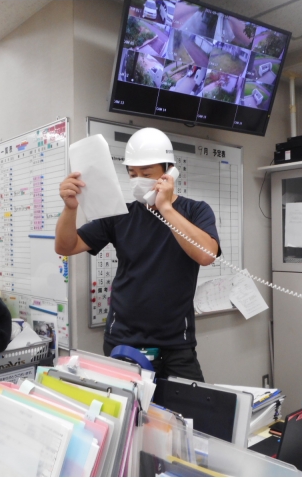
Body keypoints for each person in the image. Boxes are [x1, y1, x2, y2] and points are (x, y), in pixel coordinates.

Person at [55, 128, 220, 381]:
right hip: (124, 340)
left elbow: (206, 255)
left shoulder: (195, 210)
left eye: (146, 173)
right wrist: (69, 209)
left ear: (169, 172)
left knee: (188, 405)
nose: (138, 180)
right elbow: (66, 246)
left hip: (176, 343)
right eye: (132, 174)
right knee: (127, 406)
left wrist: (165, 207)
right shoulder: (120, 214)